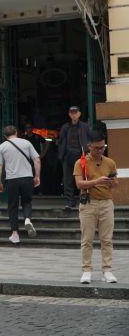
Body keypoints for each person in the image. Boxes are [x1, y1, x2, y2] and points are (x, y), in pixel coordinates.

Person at [74, 132, 118, 284]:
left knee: (107, 239)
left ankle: (107, 270)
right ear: (89, 146)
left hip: (107, 202)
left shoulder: (110, 162)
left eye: (103, 147)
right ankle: (86, 270)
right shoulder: (81, 163)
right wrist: (97, 181)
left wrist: (112, 182)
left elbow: (115, 182)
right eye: (97, 148)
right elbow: (79, 184)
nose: (100, 150)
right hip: (88, 203)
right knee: (87, 239)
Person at [0, 125, 41, 245]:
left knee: (13, 206)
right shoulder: (26, 143)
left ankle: (15, 234)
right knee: (27, 202)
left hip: (12, 180)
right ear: (16, 132)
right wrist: (37, 176)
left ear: (5, 136)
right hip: (27, 178)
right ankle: (27, 219)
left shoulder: (2, 146)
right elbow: (37, 159)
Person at [58, 106, 91, 210]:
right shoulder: (65, 127)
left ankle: (84, 198)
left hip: (81, 155)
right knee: (67, 179)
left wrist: (88, 153)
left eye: (76, 113)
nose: (74, 115)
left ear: (79, 114)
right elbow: (61, 141)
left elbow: (90, 140)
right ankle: (70, 201)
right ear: (69, 114)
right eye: (72, 113)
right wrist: (61, 154)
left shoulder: (85, 127)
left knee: (84, 177)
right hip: (67, 155)